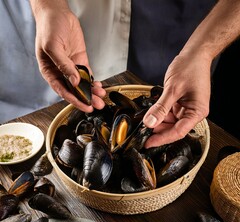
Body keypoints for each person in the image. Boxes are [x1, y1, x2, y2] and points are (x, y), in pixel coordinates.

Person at [29, 0, 240, 148]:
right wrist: (48, 7)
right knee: (83, 104)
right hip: (79, 24)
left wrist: (202, 51)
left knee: (170, 115)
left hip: (188, 30)